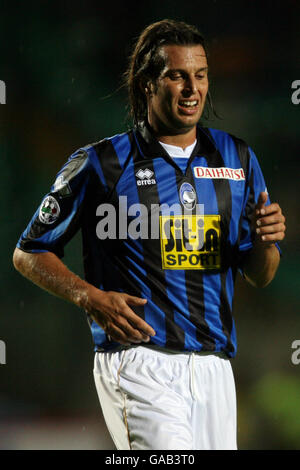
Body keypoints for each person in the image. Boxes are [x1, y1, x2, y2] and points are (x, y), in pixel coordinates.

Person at [13, 19, 286, 450]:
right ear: (146, 83)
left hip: (215, 369)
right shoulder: (100, 163)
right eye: (177, 75)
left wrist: (267, 242)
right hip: (140, 360)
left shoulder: (237, 157)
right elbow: (28, 251)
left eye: (200, 75)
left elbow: (261, 274)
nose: (192, 89)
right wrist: (89, 297)